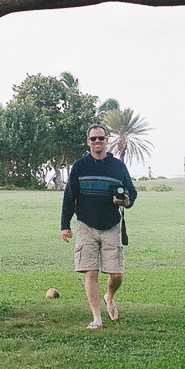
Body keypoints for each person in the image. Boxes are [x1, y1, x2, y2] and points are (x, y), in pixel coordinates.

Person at [61, 124, 137, 329]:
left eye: (101, 138)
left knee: (116, 273)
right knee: (90, 272)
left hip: (111, 225)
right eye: (93, 139)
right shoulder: (79, 166)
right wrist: (65, 224)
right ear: (88, 142)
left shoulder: (118, 167)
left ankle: (109, 297)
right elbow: (69, 197)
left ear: (106, 140)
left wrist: (125, 201)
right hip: (86, 225)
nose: (97, 142)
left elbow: (132, 193)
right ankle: (97, 318)